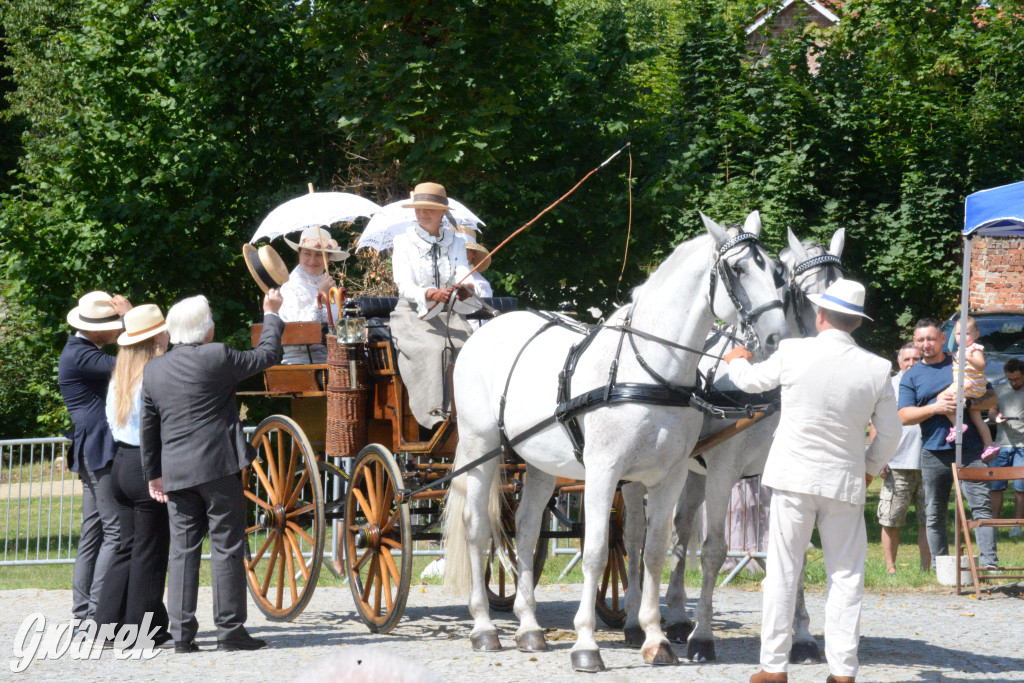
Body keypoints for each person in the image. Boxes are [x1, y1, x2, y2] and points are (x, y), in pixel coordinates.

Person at [723, 278, 901, 683]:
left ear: (820, 316)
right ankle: (843, 673)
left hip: (793, 477)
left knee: (783, 571)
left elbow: (751, 382)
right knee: (846, 577)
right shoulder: (877, 368)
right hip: (845, 481)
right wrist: (870, 467)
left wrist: (736, 359)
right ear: (856, 324)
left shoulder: (793, 350)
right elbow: (891, 435)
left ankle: (773, 667)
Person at [141, 291, 284, 653]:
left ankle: (183, 637)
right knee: (227, 546)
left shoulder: (154, 368)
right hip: (219, 467)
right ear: (206, 330)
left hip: (176, 471)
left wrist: (152, 473)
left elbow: (148, 425)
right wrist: (270, 314)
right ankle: (230, 631)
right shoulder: (217, 356)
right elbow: (267, 355)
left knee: (182, 551)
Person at [93, 304, 172, 647]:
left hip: (121, 465)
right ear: (157, 337)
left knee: (127, 548)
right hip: (146, 466)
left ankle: (106, 627)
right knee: (150, 551)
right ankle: (143, 632)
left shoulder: (119, 379)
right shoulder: (155, 376)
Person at [898, 318, 999, 570]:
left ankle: (989, 564)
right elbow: (904, 416)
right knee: (934, 512)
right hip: (933, 450)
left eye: (931, 339)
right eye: (920, 340)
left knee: (981, 506)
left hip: (971, 448)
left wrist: (967, 405)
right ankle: (940, 566)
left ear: (943, 338)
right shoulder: (912, 376)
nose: (926, 344)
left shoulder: (961, 361)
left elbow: (991, 398)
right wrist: (935, 407)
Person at [58, 290, 132, 624]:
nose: (117, 330)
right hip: (99, 450)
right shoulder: (81, 354)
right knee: (114, 532)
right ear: (93, 329)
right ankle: (96, 616)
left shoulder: (81, 350)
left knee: (95, 533)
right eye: (113, 325)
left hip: (93, 449)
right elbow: (129, 365)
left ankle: (84, 614)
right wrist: (132, 320)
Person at [390, 182, 474, 429]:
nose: (422, 213)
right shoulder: (403, 241)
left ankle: (470, 410)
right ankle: (436, 415)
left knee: (467, 347)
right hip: (411, 314)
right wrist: (429, 293)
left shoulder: (456, 241)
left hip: (449, 313)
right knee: (435, 348)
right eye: (418, 209)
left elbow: (462, 271)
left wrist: (465, 288)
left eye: (428, 209)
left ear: (442, 212)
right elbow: (403, 284)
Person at [876, 342, 930, 574]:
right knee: (890, 518)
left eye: (916, 359)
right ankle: (891, 568)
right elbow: (875, 421)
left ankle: (927, 568)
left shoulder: (930, 381)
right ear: (899, 362)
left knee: (928, 520)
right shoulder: (889, 385)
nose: (911, 363)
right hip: (896, 462)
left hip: (929, 461)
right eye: (906, 359)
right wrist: (879, 457)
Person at [279, 227, 346, 364]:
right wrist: (320, 298)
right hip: (303, 362)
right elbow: (298, 329)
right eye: (307, 254)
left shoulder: (329, 284)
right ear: (299, 254)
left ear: (328, 258)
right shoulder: (290, 287)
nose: (312, 260)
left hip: (336, 359)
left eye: (319, 255)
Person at [938, 316, 1000, 461]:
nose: (962, 337)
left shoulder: (974, 349)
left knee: (942, 397)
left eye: (967, 334)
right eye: (959, 334)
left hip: (969, 385)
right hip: (974, 389)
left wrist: (969, 357)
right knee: (976, 417)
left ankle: (957, 425)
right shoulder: (960, 350)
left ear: (976, 335)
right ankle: (989, 445)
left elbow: (981, 365)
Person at [990, 357, 1024, 537]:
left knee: (1020, 487)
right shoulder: (1000, 389)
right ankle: (994, 525)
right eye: (1010, 379)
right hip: (1001, 443)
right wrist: (996, 418)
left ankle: (1017, 526)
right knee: (996, 486)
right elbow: (992, 410)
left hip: (1023, 446)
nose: (1014, 382)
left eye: (1017, 379)